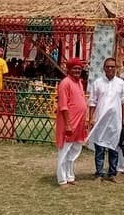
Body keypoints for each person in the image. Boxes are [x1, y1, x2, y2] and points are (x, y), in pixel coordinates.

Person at [87, 58, 124, 182]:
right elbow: (93, 101)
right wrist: (91, 118)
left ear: (116, 68)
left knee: (113, 147)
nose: (110, 69)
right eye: (108, 66)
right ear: (104, 68)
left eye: (112, 66)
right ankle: (99, 173)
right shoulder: (98, 83)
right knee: (99, 148)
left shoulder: (121, 83)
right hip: (100, 120)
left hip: (115, 120)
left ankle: (112, 174)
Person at [55, 59, 88, 188]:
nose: (77, 71)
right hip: (69, 123)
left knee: (74, 150)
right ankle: (62, 179)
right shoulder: (65, 83)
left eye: (79, 69)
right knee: (64, 151)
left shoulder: (79, 82)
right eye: (74, 68)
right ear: (68, 69)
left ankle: (70, 175)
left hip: (79, 123)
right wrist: (68, 124)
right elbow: (63, 106)